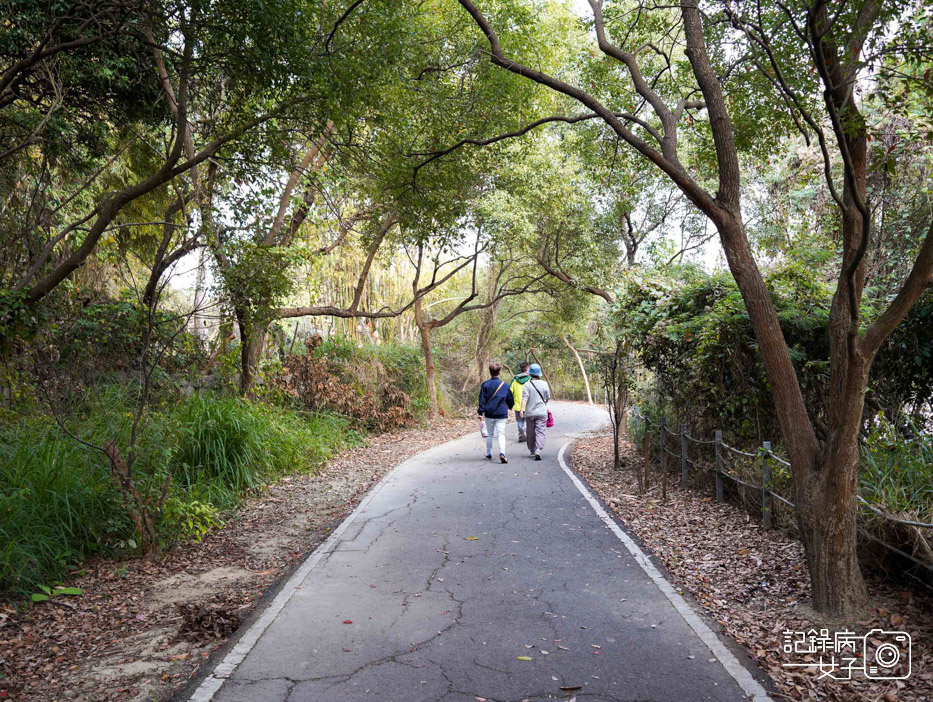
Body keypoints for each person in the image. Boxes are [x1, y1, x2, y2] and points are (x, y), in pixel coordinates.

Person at [477, 362, 514, 463]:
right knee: (501, 434)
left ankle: (488, 453)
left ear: (490, 372)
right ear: (499, 372)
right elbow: (510, 399)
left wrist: (481, 412)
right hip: (501, 413)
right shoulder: (505, 386)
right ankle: (502, 453)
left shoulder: (485, 385)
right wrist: (510, 406)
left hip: (489, 413)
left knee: (490, 434)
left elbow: (482, 400)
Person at [522, 363, 550, 460]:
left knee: (530, 432)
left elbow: (524, 398)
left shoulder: (527, 385)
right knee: (540, 431)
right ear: (539, 374)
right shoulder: (544, 384)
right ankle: (538, 449)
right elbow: (547, 398)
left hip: (530, 413)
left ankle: (532, 450)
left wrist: (522, 410)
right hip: (542, 413)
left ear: (530, 374)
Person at [509, 361, 531, 443]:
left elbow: (510, 392)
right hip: (528, 403)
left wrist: (510, 404)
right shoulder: (530, 379)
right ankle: (526, 431)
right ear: (528, 369)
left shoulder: (514, 380)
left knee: (519, 420)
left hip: (517, 404)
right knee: (527, 420)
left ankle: (521, 435)